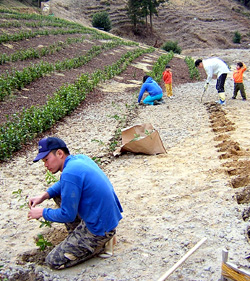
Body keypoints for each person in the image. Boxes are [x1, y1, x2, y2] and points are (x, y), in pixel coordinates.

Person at [28, 137, 123, 269]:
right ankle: (79, 237)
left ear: (60, 154)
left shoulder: (69, 173)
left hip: (100, 228)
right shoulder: (79, 160)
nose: (45, 165)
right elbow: (63, 184)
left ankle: (99, 246)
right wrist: (44, 196)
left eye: (46, 160)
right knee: (58, 194)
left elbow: (67, 215)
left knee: (53, 261)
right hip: (106, 218)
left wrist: (42, 212)